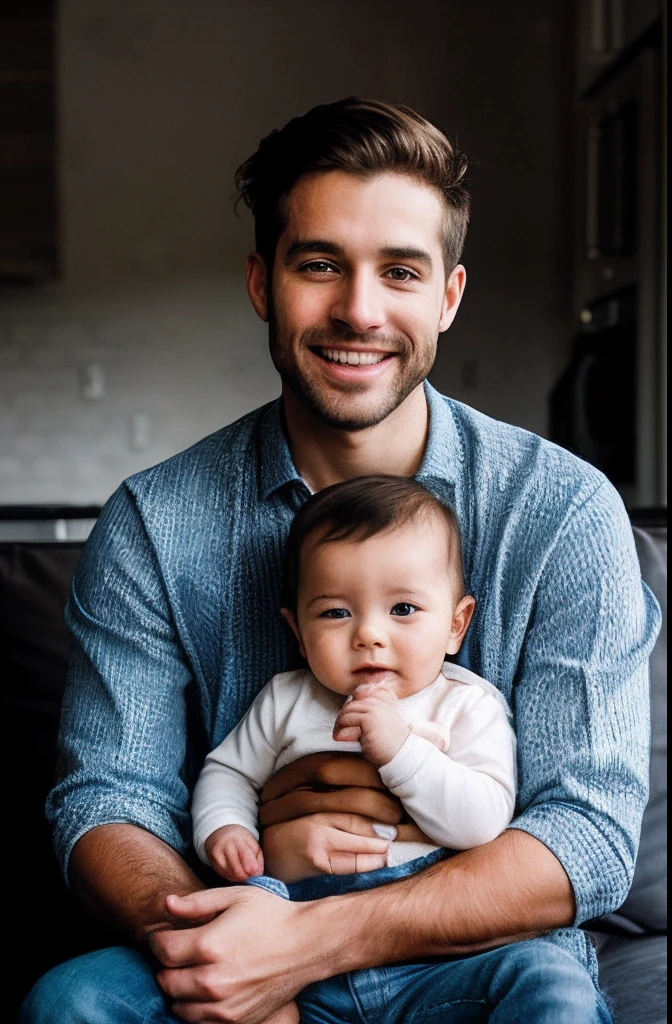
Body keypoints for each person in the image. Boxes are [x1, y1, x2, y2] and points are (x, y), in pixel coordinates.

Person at [20, 96, 660, 1024]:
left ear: (447, 294)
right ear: (261, 282)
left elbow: (589, 837)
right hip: (244, 916)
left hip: (473, 959)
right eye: (319, 264)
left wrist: (313, 947)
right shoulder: (154, 524)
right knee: (69, 1003)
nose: (359, 310)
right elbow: (107, 798)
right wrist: (230, 946)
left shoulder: (563, 511)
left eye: (400, 271)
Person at [192, 474, 517, 1024]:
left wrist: (400, 750)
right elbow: (228, 772)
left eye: (404, 609)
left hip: (433, 948)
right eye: (335, 612)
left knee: (545, 976)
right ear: (297, 633)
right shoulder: (286, 699)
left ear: (456, 625)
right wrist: (225, 828)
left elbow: (482, 823)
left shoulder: (466, 706)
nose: (369, 634)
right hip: (291, 931)